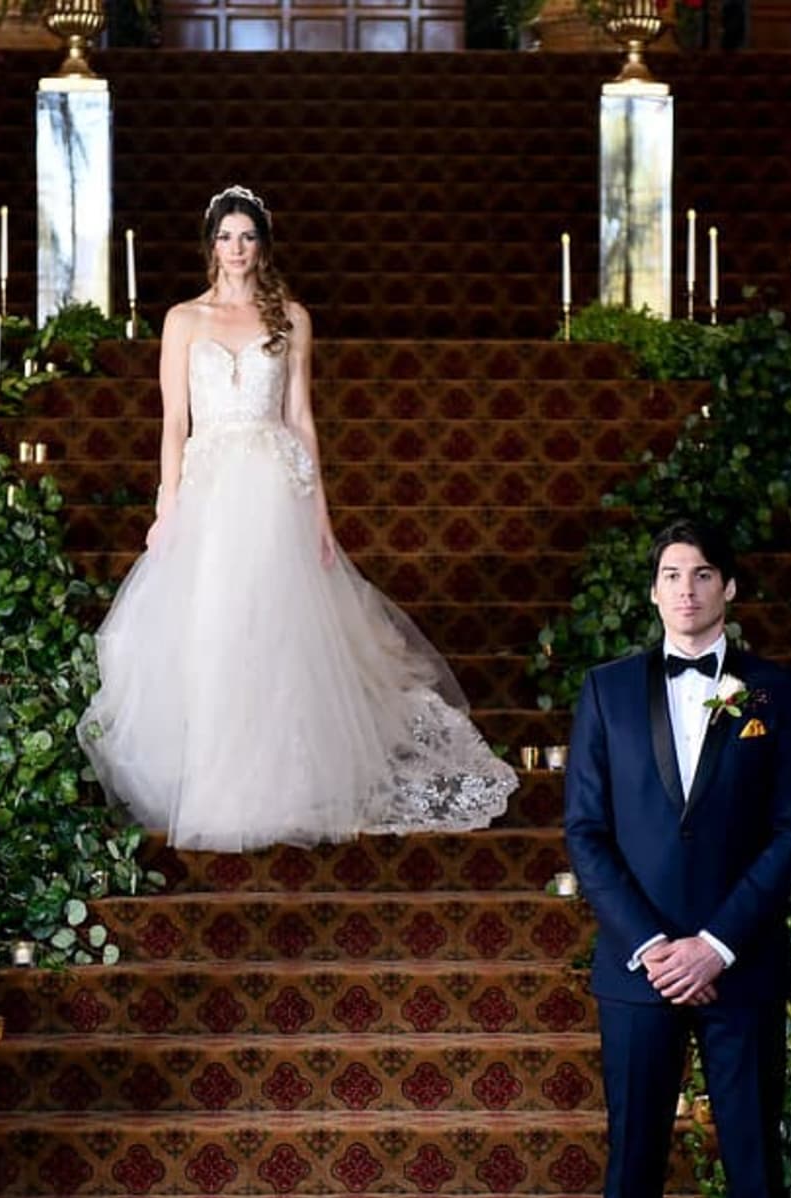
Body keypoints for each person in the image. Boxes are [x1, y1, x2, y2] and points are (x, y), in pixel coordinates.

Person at [79, 186, 517, 851]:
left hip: (274, 488)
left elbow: (301, 421)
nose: (236, 250)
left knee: (273, 631)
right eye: (225, 237)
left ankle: (281, 784)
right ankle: (214, 787)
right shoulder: (181, 320)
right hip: (209, 488)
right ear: (210, 244)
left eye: (247, 237)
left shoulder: (291, 317)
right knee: (213, 630)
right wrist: (165, 505)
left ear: (263, 245)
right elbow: (172, 422)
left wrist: (321, 517)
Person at [562, 519, 791, 1198]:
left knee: (751, 1160)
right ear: (653, 590)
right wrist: (653, 946)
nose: (685, 589)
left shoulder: (773, 694)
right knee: (632, 1164)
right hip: (636, 971)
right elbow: (585, 835)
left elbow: (789, 834)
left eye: (703, 575)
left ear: (729, 591)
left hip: (737, 964)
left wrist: (714, 945)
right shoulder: (604, 692)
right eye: (670, 574)